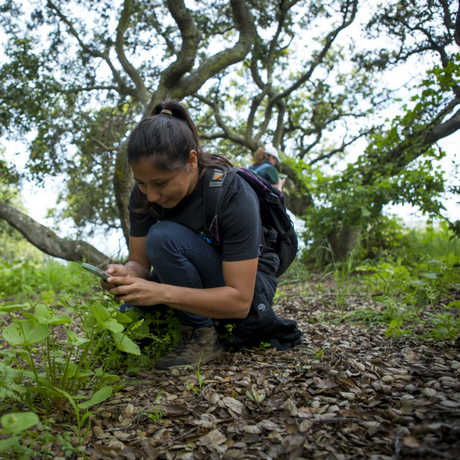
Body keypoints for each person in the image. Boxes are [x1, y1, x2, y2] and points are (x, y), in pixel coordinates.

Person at [102, 100, 300, 370]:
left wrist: (161, 292)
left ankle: (202, 335)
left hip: (243, 291)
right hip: (192, 277)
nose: (151, 195)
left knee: (162, 237)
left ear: (191, 161)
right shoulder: (143, 196)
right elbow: (139, 263)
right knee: (126, 320)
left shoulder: (231, 192)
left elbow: (239, 300)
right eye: (142, 183)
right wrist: (126, 276)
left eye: (160, 183)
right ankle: (188, 321)